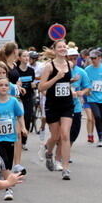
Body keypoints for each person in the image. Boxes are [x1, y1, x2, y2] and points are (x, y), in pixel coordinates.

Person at [0, 78, 27, 201]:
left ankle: (4, 175)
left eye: (6, 85)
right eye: (1, 85)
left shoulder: (13, 101)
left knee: (8, 162)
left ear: (9, 88)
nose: (3, 87)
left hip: (10, 137)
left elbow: (19, 115)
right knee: (4, 159)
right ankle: (8, 189)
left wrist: (23, 127)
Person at [37, 40, 75, 180]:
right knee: (56, 136)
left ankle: (65, 168)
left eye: (64, 46)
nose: (63, 48)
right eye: (60, 47)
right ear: (54, 50)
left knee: (65, 135)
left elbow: (65, 84)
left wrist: (71, 83)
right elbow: (41, 87)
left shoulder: (70, 64)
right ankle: (49, 153)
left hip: (67, 104)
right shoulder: (49, 66)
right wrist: (56, 78)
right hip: (52, 105)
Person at [84, 49, 102, 146]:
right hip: (92, 98)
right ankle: (100, 137)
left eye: (94, 58)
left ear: (99, 58)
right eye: (91, 58)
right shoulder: (87, 70)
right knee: (97, 117)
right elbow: (84, 82)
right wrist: (86, 91)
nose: (92, 60)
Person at [67, 48, 92, 148]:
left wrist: (82, 92)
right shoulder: (61, 70)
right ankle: (63, 154)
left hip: (76, 106)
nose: (73, 60)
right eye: (71, 58)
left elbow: (88, 87)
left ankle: (66, 150)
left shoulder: (81, 72)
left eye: (75, 58)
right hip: (63, 105)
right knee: (63, 132)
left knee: (74, 132)